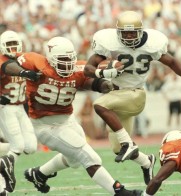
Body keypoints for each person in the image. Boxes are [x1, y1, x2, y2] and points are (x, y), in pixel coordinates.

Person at [2, 36, 142, 196]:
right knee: (89, 156)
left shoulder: (78, 68)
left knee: (74, 160)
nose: (67, 63)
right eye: (62, 59)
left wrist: (105, 85)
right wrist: (24, 72)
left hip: (68, 120)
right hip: (44, 125)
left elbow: (89, 82)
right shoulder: (36, 62)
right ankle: (119, 191)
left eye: (70, 58)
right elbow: (7, 64)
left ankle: (39, 173)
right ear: (50, 58)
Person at [83, 10, 181, 185]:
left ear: (141, 31)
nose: (130, 36)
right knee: (118, 148)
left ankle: (129, 144)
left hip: (135, 94)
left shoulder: (151, 44)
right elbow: (88, 68)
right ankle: (147, 162)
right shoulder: (109, 43)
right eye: (125, 33)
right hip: (117, 95)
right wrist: (101, 72)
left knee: (100, 105)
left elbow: (171, 61)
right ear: (118, 32)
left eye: (133, 32)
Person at [0, 30, 38, 193]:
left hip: (20, 108)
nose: (13, 47)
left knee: (30, 147)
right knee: (18, 146)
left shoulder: (25, 59)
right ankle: (2, 185)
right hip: (5, 108)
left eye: (14, 43)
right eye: (9, 44)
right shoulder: (2, 61)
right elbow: (8, 67)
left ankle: (4, 157)